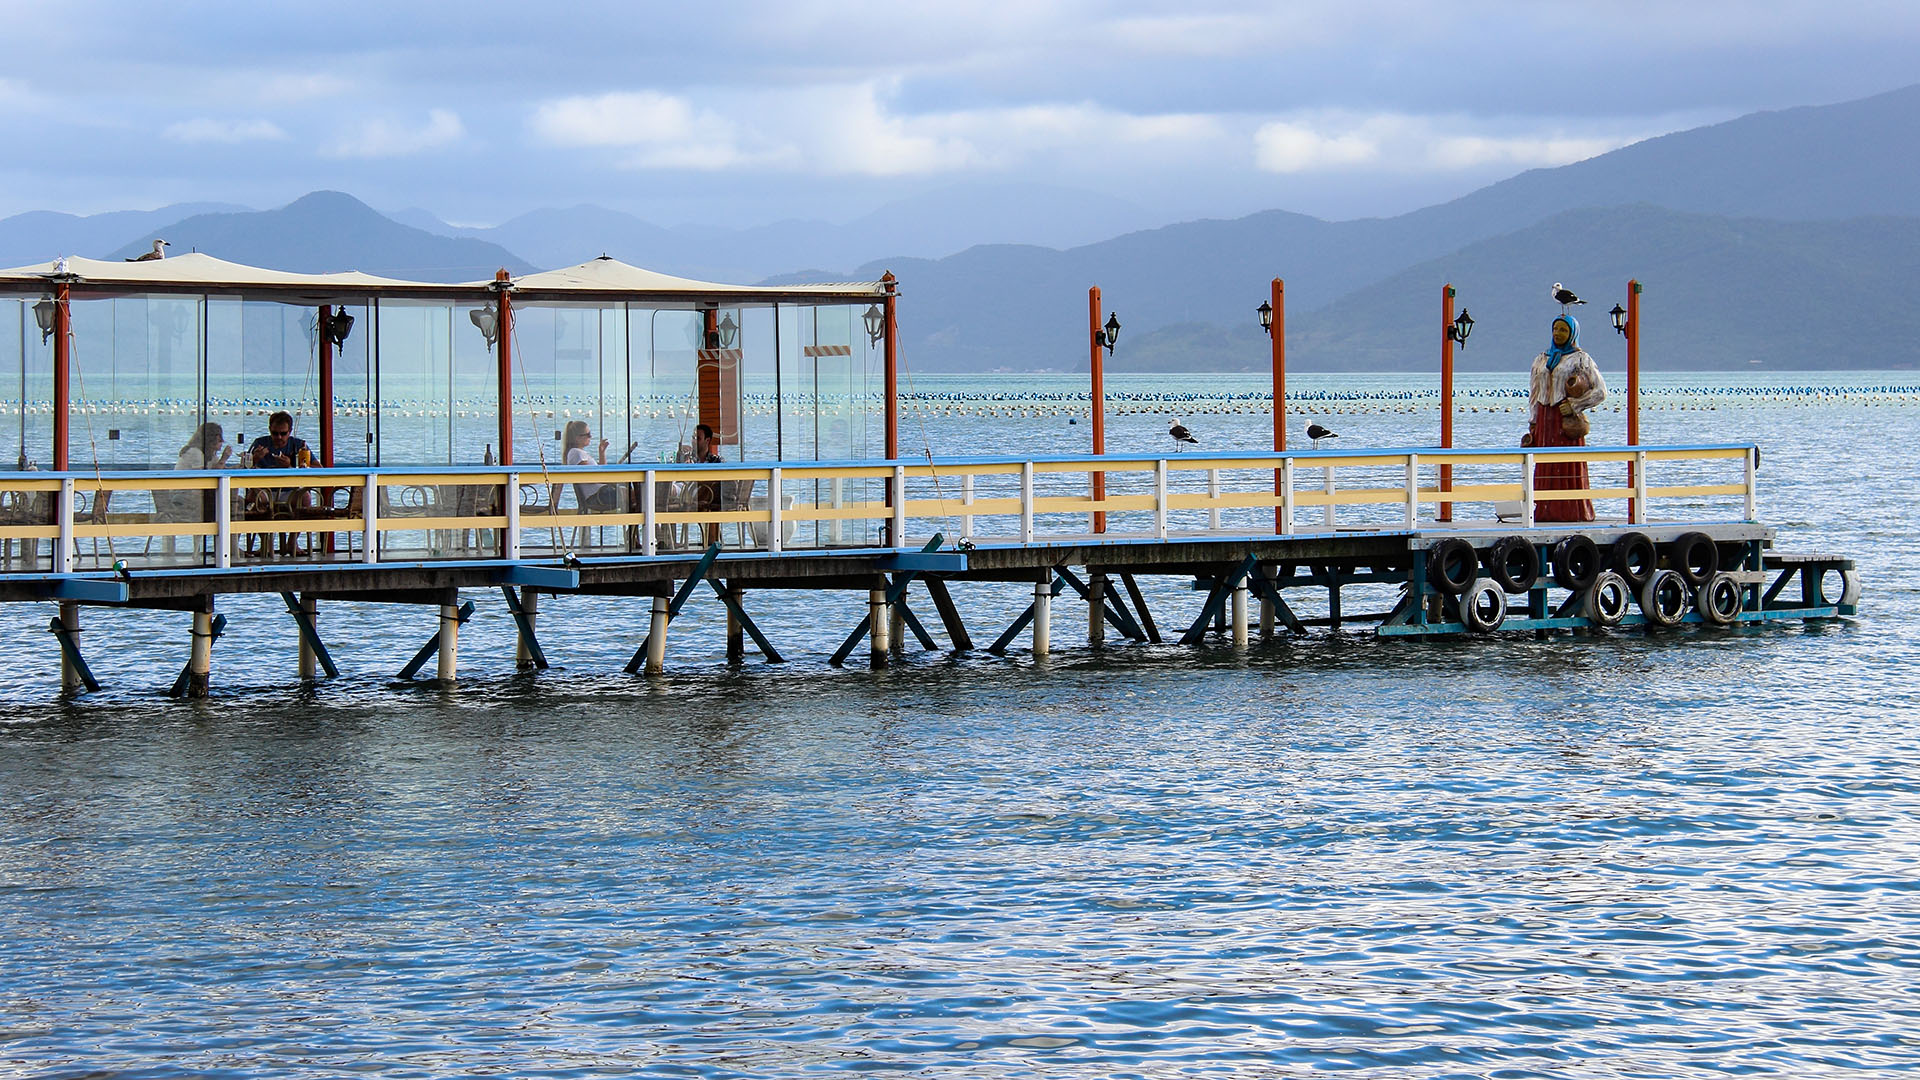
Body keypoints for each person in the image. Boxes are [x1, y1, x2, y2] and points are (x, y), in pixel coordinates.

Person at [1525, 313, 1607, 523]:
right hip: (1544, 421)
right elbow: (1534, 392)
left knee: (1567, 465)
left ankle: (1574, 511)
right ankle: (1543, 510)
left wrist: (1575, 405)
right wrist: (1533, 422)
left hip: (1565, 422)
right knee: (1544, 465)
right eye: (1555, 329)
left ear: (1572, 333)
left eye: (1563, 330)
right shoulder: (1541, 359)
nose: (1558, 333)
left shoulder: (1581, 359)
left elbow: (1600, 392)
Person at [247, 411, 313, 555]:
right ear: (270, 430)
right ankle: (265, 543)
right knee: (253, 498)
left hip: (290, 491)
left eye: (283, 434)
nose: (279, 438)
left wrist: (291, 467)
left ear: (289, 432)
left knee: (306, 498)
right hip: (265, 490)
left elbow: (318, 468)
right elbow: (244, 468)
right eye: (275, 433)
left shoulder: (299, 446)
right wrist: (254, 460)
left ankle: (292, 541)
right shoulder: (260, 444)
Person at [563, 419, 619, 511]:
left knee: (634, 494)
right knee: (634, 494)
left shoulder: (578, 453)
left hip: (599, 494)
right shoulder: (576, 453)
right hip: (597, 496)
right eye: (588, 435)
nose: (591, 436)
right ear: (577, 438)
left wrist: (602, 452)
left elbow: (601, 471)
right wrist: (611, 481)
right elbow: (590, 477)